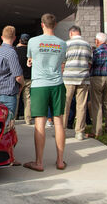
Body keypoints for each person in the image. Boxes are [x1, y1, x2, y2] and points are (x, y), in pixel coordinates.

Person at [23, 14, 67, 172]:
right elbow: (62, 63)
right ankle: (60, 161)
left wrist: (32, 62)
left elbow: (30, 60)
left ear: (42, 24)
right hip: (57, 84)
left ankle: (39, 162)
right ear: (55, 25)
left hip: (39, 85)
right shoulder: (62, 43)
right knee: (59, 122)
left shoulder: (33, 42)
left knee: (39, 123)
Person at [0, 26, 24, 122]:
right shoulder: (11, 53)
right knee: (8, 124)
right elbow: (18, 76)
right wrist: (22, 84)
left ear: (2, 37)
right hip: (7, 93)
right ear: (15, 38)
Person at [62, 25, 92, 141]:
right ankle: (79, 132)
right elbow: (90, 63)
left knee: (65, 105)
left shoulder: (66, 44)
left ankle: (62, 130)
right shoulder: (87, 45)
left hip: (69, 78)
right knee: (81, 105)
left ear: (71, 33)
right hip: (83, 78)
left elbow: (63, 63)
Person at [88, 32, 107, 137]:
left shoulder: (96, 52)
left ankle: (97, 130)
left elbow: (91, 65)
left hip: (97, 78)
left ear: (97, 41)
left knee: (97, 104)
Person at [15, 34, 33, 124]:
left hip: (18, 77)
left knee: (16, 98)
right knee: (27, 99)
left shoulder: (16, 51)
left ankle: (14, 117)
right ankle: (28, 119)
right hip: (29, 77)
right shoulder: (31, 52)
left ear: (20, 40)